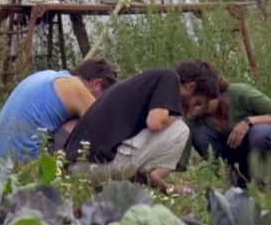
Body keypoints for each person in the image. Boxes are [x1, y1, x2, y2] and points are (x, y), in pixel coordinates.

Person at [62, 59, 222, 193]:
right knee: (182, 129)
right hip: (96, 166)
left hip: (75, 169)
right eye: (198, 103)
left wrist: (171, 190)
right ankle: (133, 186)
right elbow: (155, 122)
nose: (193, 110)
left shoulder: (143, 85)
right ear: (191, 86)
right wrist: (178, 116)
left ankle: (132, 188)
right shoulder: (169, 78)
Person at [0, 58, 119, 160]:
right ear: (96, 84)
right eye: (102, 98)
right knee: (84, 122)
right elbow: (108, 131)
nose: (98, 102)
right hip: (18, 166)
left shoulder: (47, 75)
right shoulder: (78, 89)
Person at [179, 79, 271, 188]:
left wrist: (249, 122)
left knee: (260, 133)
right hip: (238, 157)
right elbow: (185, 149)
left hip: (263, 147)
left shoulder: (239, 93)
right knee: (201, 136)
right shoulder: (196, 115)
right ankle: (235, 181)